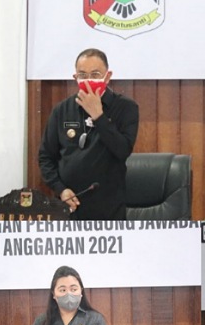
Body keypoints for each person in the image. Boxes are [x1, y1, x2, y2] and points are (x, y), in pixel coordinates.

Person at [38, 48, 139, 220]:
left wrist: (99, 116)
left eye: (95, 74)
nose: (89, 80)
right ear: (75, 78)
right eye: (83, 75)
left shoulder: (126, 108)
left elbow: (122, 150)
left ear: (107, 76)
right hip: (69, 205)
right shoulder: (62, 110)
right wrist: (60, 189)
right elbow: (46, 157)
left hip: (109, 208)